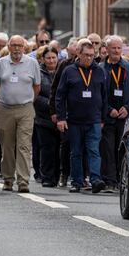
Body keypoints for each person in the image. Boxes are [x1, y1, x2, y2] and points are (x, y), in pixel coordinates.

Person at [55, 39, 107, 194]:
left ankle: (95, 179)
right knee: (76, 152)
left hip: (94, 120)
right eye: (86, 55)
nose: (89, 58)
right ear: (78, 53)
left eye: (91, 55)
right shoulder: (69, 71)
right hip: (74, 120)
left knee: (93, 150)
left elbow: (104, 96)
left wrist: (103, 118)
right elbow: (60, 95)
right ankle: (77, 181)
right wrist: (61, 117)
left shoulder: (99, 71)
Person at [0, 35, 41, 193]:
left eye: (19, 46)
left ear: (24, 47)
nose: (16, 49)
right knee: (7, 146)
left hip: (25, 108)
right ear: (8, 46)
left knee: (24, 146)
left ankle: (23, 181)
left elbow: (37, 87)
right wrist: (3, 100)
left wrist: (27, 101)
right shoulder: (1, 63)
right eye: (13, 45)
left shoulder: (32, 63)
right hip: (5, 109)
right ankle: (8, 179)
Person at [99, 36, 129, 193]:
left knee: (120, 148)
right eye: (113, 48)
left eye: (119, 48)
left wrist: (128, 107)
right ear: (107, 49)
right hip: (108, 115)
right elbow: (98, 93)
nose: (116, 51)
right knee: (108, 149)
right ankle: (109, 180)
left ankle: (120, 179)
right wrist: (109, 109)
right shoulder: (101, 68)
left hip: (124, 116)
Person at [50, 38, 80, 187]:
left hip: (84, 114)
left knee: (84, 147)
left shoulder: (93, 67)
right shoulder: (65, 65)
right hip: (66, 112)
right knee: (66, 143)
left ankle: (81, 176)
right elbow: (55, 90)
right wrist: (55, 111)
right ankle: (64, 173)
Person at [33, 45, 59, 187]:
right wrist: (50, 103)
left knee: (57, 149)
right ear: (43, 59)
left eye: (53, 57)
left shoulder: (62, 71)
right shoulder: (38, 72)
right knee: (46, 148)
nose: (51, 61)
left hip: (60, 117)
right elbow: (35, 94)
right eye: (48, 58)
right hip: (43, 117)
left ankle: (57, 175)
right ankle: (47, 177)